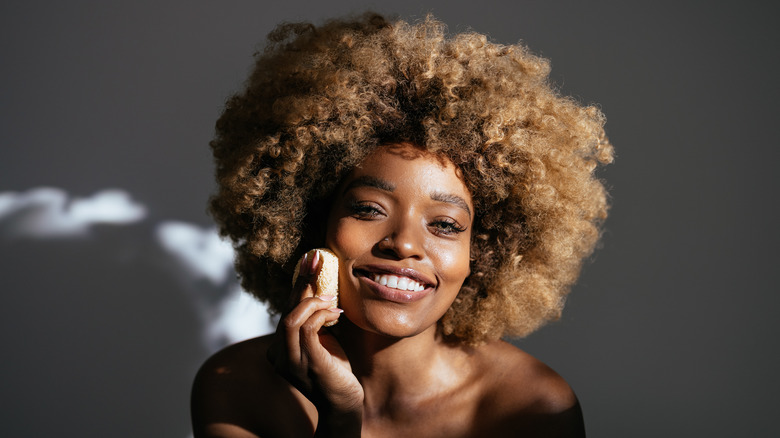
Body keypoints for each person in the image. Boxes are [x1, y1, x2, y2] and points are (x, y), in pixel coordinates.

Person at [191, 12, 613, 438]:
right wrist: (339, 416)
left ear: (482, 253)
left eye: (446, 225)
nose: (405, 244)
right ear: (311, 223)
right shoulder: (235, 387)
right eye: (370, 210)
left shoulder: (530, 409)